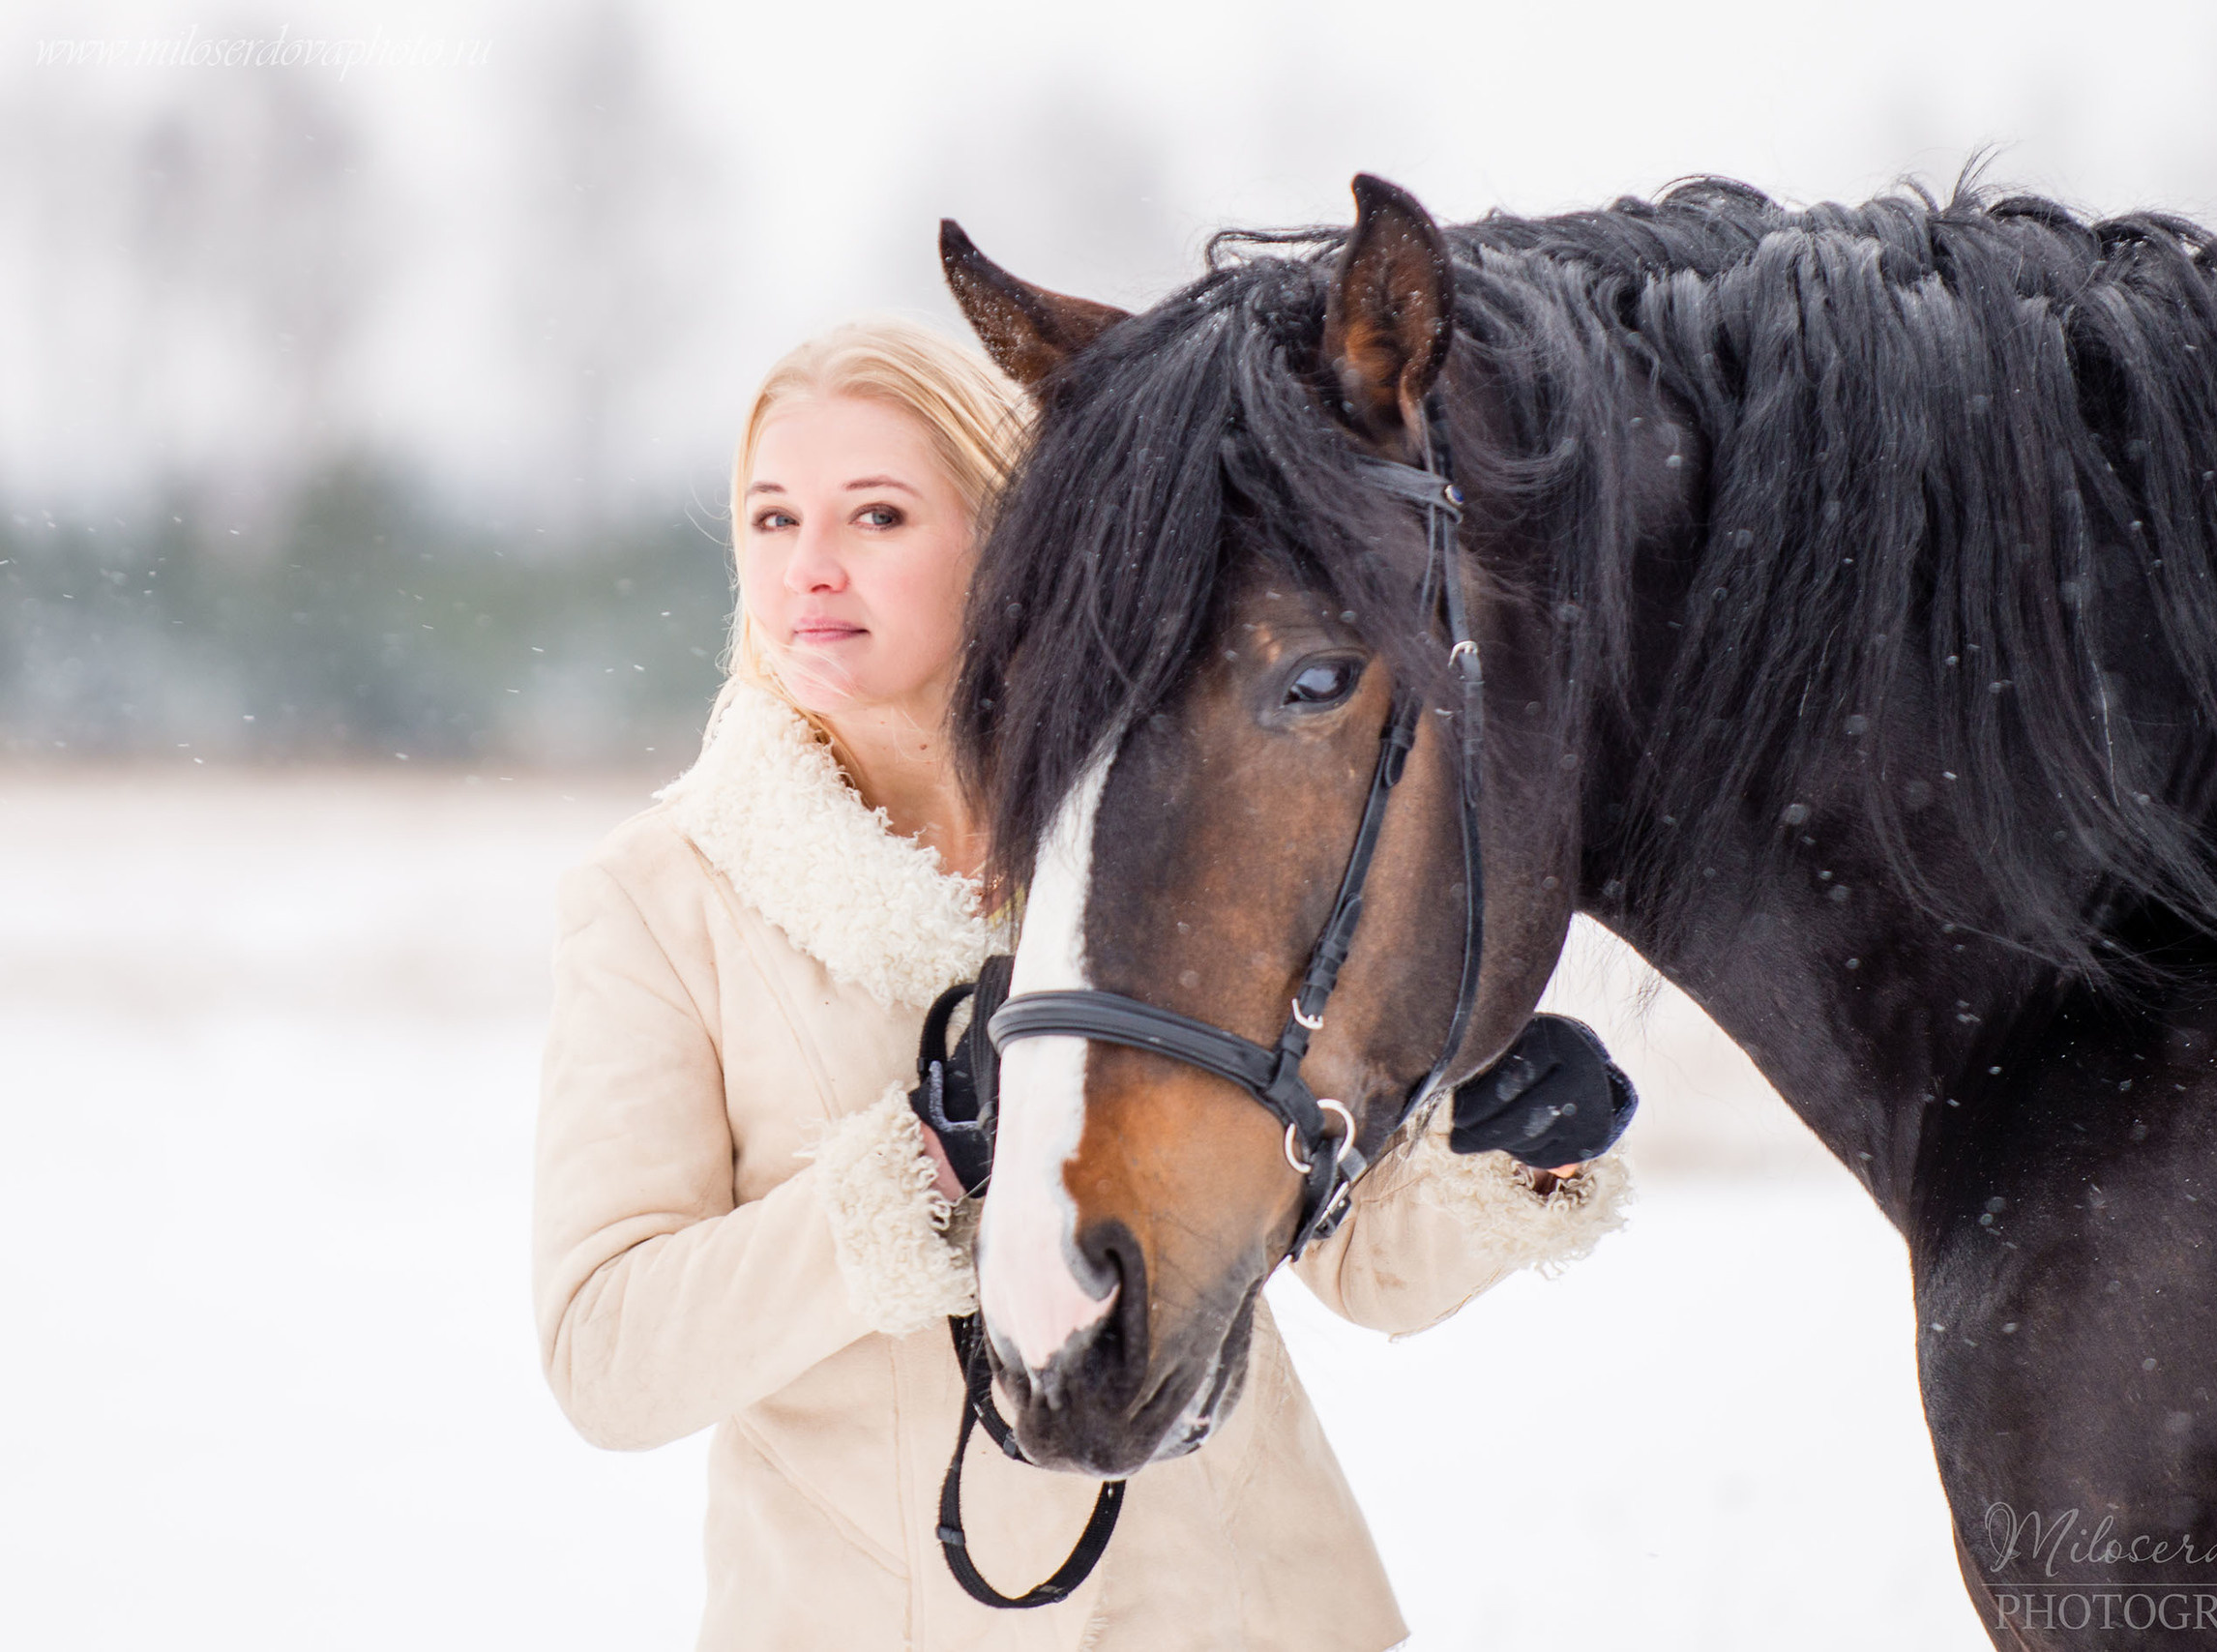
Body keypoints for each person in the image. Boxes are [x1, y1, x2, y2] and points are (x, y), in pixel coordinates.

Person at [530, 317, 1636, 1650]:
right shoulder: (664, 900)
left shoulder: (1153, 829)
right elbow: (609, 1354)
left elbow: (1346, 1263)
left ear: (1005, 531)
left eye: (875, 516)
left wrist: (1500, 1155)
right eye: (771, 520)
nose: (809, 568)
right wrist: (918, 1174)